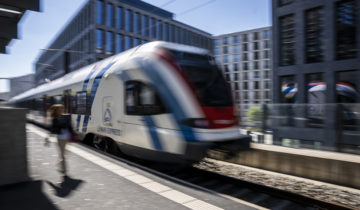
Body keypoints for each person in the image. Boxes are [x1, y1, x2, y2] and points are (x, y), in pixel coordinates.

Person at [49, 104, 73, 174]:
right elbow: (53, 128)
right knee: (63, 155)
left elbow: (70, 127)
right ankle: (64, 170)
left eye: (62, 109)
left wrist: (73, 134)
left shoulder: (66, 117)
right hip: (60, 138)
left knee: (64, 154)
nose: (62, 110)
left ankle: (60, 162)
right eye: (60, 109)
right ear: (56, 110)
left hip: (67, 137)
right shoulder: (54, 118)